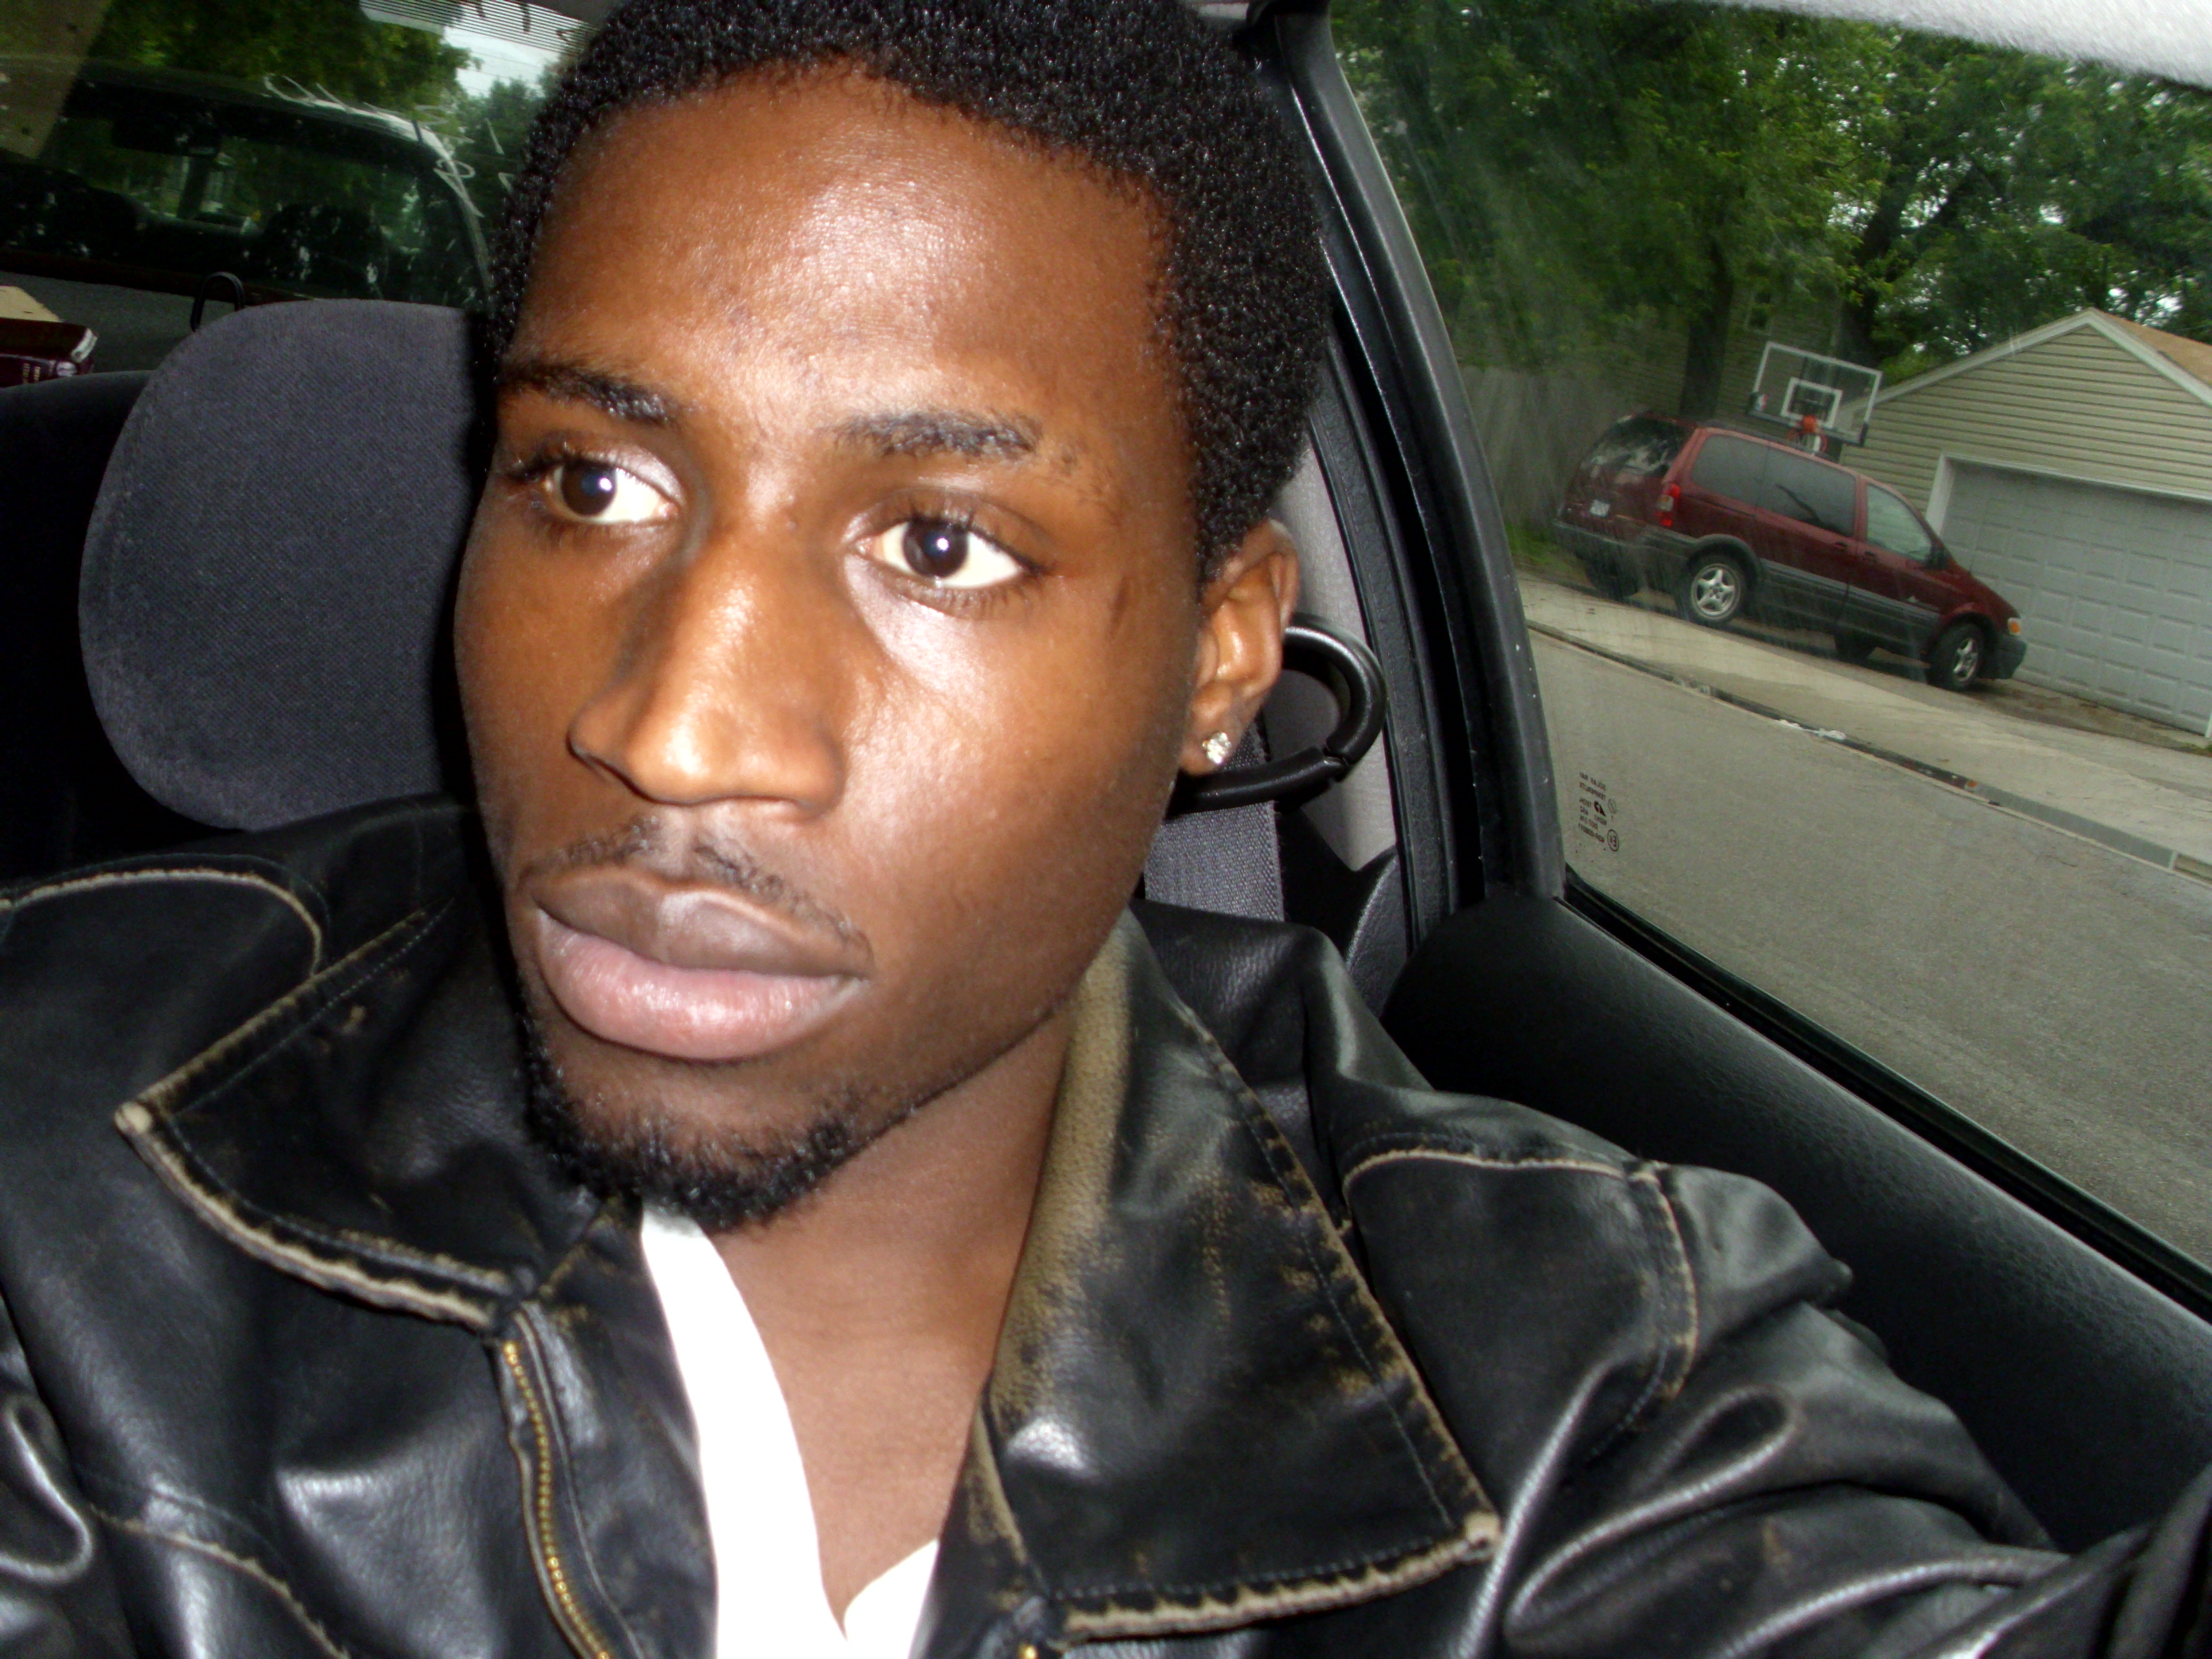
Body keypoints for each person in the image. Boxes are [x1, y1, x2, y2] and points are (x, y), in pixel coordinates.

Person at [1, 2, 2208, 1655]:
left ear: (1225, 651)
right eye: (592, 480)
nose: (672, 727)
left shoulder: (1572, 1374)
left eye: (940, 544)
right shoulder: (63, 1156)